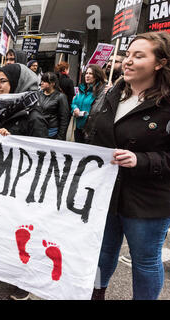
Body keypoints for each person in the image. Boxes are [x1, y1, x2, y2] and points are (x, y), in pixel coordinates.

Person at [89, 31, 170, 300]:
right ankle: (95, 293)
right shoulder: (112, 93)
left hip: (147, 199)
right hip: (107, 193)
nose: (128, 61)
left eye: (139, 55)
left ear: (159, 63)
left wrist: (141, 160)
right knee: (101, 252)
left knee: (145, 261)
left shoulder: (167, 104)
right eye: (127, 55)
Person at [0, 62, 48, 300]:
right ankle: (0, 267)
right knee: (0, 225)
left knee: (22, 231)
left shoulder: (34, 114)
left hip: (23, 183)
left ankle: (25, 278)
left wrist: (14, 141)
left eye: (2, 81)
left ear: (18, 83)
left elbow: (42, 155)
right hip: (0, 177)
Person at [70, 64, 106, 143]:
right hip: (78, 127)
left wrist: (85, 115)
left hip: (90, 129)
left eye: (91, 74)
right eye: (86, 73)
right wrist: (75, 109)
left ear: (97, 75)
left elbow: (96, 110)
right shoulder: (82, 88)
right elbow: (74, 102)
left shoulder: (101, 90)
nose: (87, 76)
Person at [37, 72, 70, 140]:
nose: (41, 83)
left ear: (52, 83)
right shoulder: (38, 94)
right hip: (39, 131)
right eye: (41, 81)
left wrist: (60, 138)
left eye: (44, 81)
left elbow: (64, 119)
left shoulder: (61, 97)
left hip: (52, 133)